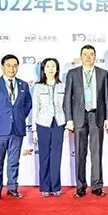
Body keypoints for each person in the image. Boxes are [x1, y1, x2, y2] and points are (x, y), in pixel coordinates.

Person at [64, 45, 108, 198]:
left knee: (96, 153)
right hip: (79, 116)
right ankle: (80, 186)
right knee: (80, 153)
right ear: (81, 56)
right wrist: (69, 119)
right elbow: (67, 98)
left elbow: (107, 97)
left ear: (95, 56)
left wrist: (107, 117)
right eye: (85, 54)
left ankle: (97, 186)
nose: (88, 57)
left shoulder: (103, 73)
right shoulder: (73, 74)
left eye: (91, 54)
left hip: (97, 116)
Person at [0, 54, 32, 201]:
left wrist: (19, 117)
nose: (12, 68)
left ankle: (12, 188)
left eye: (15, 65)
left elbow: (28, 104)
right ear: (2, 66)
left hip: (17, 129)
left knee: (14, 162)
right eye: (9, 65)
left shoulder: (23, 85)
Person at [31, 58, 67, 197]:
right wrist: (34, 129)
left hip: (59, 123)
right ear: (43, 69)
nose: (50, 69)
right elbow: (35, 108)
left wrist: (67, 126)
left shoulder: (62, 86)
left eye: (53, 66)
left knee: (56, 156)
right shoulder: (38, 87)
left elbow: (66, 106)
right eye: (47, 66)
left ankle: (56, 186)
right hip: (42, 124)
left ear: (57, 69)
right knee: (44, 156)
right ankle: (45, 187)